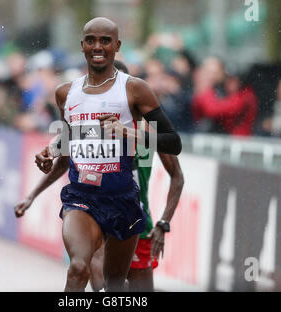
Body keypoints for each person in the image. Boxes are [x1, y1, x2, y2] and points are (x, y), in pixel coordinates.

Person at [18, 17, 181, 292]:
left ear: (117, 46)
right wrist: (50, 152)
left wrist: (130, 133)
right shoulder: (65, 93)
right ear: (82, 45)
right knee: (79, 267)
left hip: (123, 199)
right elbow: (72, 140)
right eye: (91, 40)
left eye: (105, 41)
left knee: (114, 287)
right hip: (82, 197)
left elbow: (173, 143)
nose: (98, 46)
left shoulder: (135, 89)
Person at [191, 56, 257, 136]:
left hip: (241, 141)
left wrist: (205, 92)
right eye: (229, 79)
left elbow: (214, 110)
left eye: (235, 79)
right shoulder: (218, 91)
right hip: (221, 139)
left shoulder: (246, 96)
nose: (231, 83)